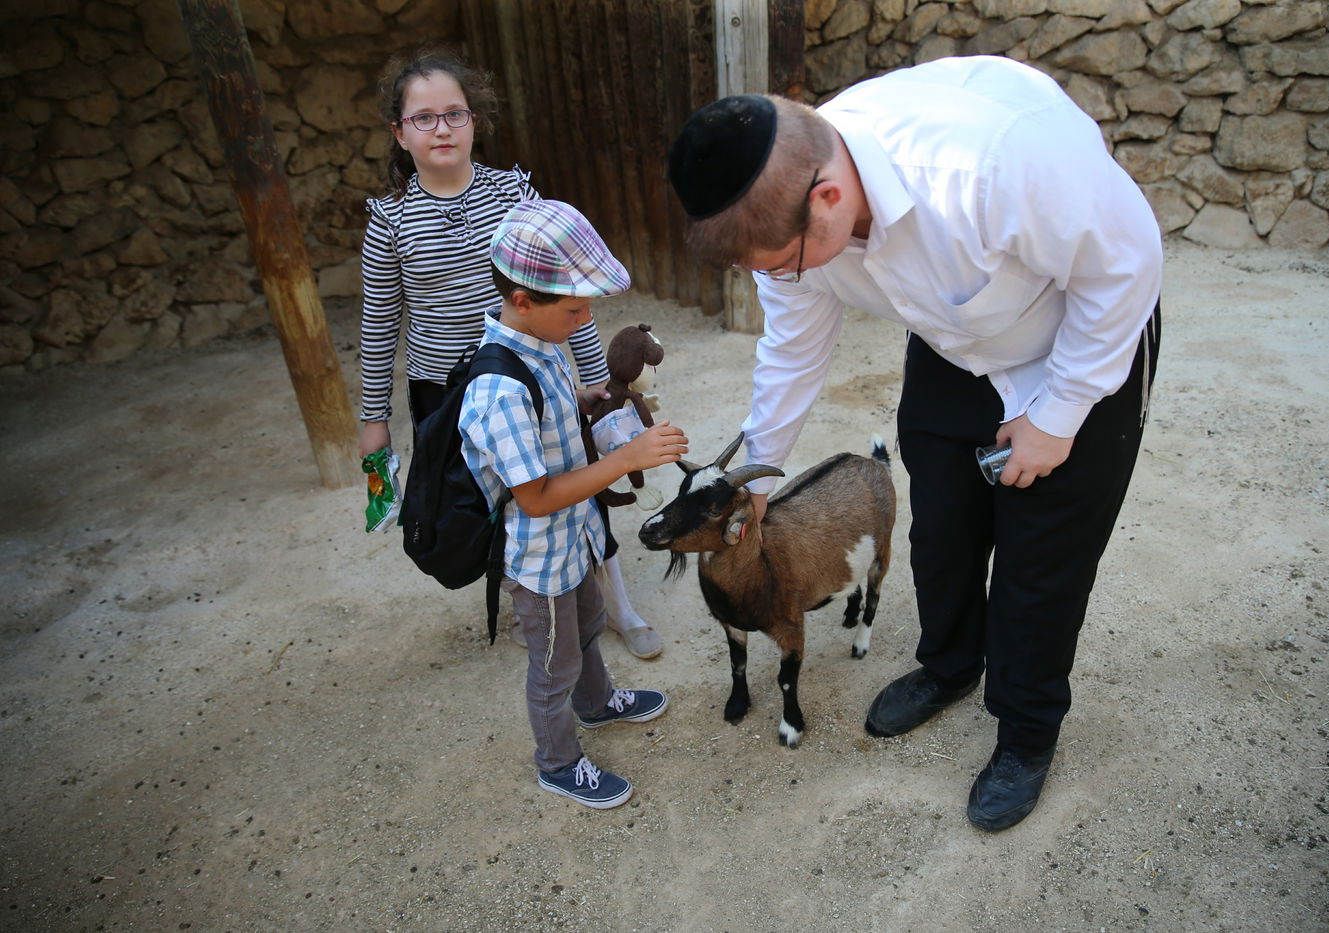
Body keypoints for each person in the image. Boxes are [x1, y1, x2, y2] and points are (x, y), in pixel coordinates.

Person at [666, 55, 1163, 831]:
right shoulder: (785, 214)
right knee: (941, 529)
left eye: (781, 267)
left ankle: (1028, 733)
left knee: (1041, 562)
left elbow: (1127, 264)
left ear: (827, 198)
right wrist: (755, 477)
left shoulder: (993, 164)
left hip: (1077, 339)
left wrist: (1059, 413)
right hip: (951, 339)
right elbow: (795, 349)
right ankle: (949, 666)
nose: (781, 280)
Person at [357, 45, 662, 659]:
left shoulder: (514, 195)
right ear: (399, 132)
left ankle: (619, 605)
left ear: (474, 121)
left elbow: (564, 288)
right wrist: (372, 423)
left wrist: (597, 379)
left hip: (532, 373)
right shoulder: (388, 220)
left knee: (573, 484)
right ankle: (533, 608)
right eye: (424, 118)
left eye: (455, 113)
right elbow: (378, 324)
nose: (441, 127)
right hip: (446, 393)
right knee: (492, 502)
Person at [463, 198, 688, 808]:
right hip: (540, 558)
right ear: (523, 301)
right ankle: (557, 761)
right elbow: (534, 498)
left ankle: (596, 705)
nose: (587, 317)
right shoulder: (500, 388)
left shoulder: (538, 348)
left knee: (589, 624)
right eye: (575, 307)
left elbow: (554, 417)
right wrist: (625, 459)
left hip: (574, 541)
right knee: (553, 663)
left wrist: (588, 400)